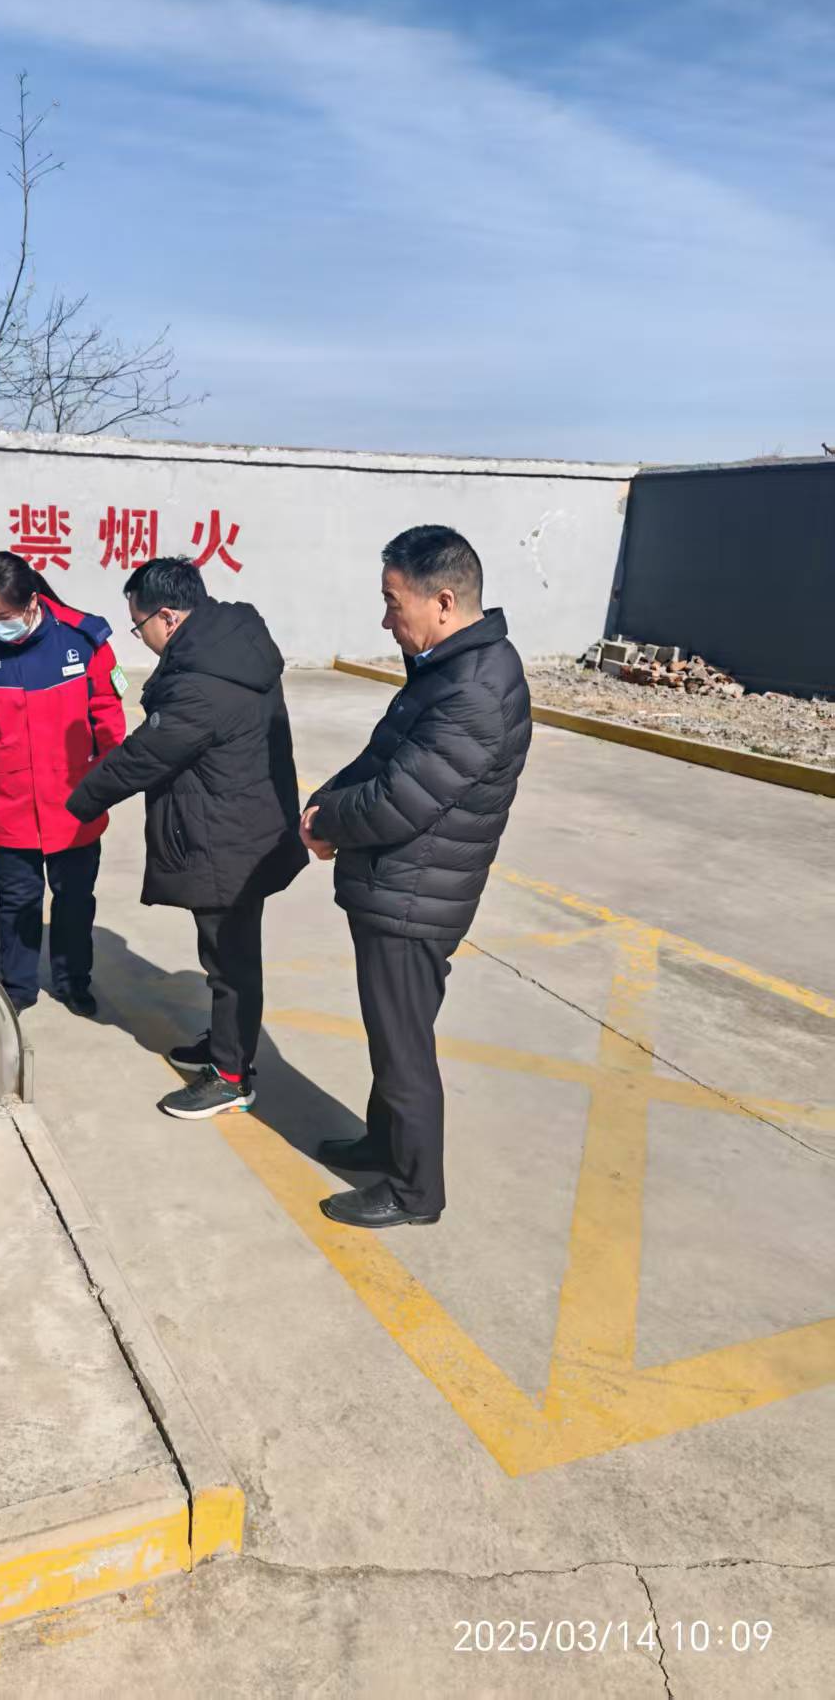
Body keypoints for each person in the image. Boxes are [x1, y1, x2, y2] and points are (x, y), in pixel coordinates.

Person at [301, 525, 531, 1228]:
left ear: (443, 601)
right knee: (393, 1034)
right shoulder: (450, 667)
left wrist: (328, 819)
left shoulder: (475, 689)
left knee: (403, 1047)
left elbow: (400, 800)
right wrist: (328, 801)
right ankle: (385, 1144)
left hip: (413, 898)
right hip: (406, 887)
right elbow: (385, 758)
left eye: (392, 602)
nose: (385, 620)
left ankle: (413, 1191)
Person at [66, 558, 308, 1119]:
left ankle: (231, 1077)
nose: (141, 637)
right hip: (241, 825)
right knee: (227, 955)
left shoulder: (202, 684)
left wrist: (78, 802)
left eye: (139, 625)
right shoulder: (230, 649)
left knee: (230, 962)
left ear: (169, 617)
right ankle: (227, 1046)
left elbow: (145, 755)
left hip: (227, 838)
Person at [0, 551, 127, 1016]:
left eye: (4, 617)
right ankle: (18, 986)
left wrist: (106, 783)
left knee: (74, 900)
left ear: (31, 603)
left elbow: (108, 717)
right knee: (16, 902)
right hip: (10, 803)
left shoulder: (83, 640)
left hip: (75, 802)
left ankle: (73, 981)